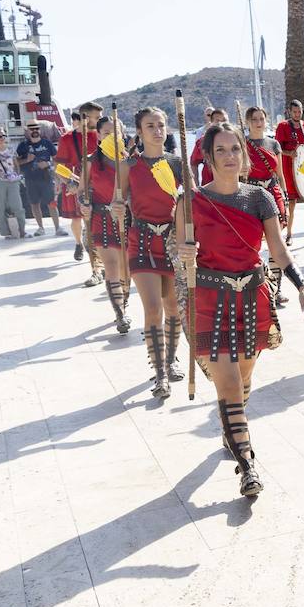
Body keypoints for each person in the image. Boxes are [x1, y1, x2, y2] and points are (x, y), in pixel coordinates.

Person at [174, 122, 304, 496]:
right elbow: (180, 256)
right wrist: (185, 255)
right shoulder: (189, 202)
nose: (229, 156)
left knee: (245, 377)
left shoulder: (259, 198)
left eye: (234, 149)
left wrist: (301, 286)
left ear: (244, 153)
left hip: (253, 299)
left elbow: (279, 251)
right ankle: (248, 463)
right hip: (209, 299)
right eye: (220, 150)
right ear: (207, 157)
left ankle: (232, 428)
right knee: (230, 383)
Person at [117, 107, 185, 397]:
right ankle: (159, 375)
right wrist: (117, 208)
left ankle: (171, 360)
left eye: (161, 125)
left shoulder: (177, 164)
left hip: (171, 242)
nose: (157, 131)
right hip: (141, 241)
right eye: (150, 126)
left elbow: (192, 204)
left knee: (173, 308)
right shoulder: (128, 166)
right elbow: (117, 205)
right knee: (153, 309)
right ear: (140, 131)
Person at [79, 119, 130, 334]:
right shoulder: (90, 161)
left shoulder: (130, 161)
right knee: (111, 266)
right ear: (98, 135)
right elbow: (82, 191)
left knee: (126, 270)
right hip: (102, 218)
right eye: (106, 132)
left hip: (127, 220)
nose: (111, 135)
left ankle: (124, 303)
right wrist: (84, 204)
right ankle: (119, 313)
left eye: (115, 131)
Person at [243, 106, 290, 304]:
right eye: (254, 119)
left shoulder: (274, 144)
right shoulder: (242, 144)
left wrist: (285, 197)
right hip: (251, 193)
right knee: (252, 242)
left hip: (273, 192)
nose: (258, 122)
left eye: (261, 118)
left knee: (276, 243)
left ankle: (276, 289)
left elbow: (279, 174)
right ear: (248, 122)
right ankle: (257, 286)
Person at [58, 102, 103, 275]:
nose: (100, 121)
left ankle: (99, 264)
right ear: (85, 118)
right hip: (75, 184)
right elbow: (59, 165)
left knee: (95, 225)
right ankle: (79, 244)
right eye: (97, 118)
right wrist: (71, 183)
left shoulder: (103, 135)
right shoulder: (67, 139)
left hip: (99, 186)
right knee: (78, 220)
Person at [273, 100, 304, 246]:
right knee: (291, 203)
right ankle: (289, 235)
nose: (297, 114)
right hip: (288, 168)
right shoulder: (282, 127)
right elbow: (278, 149)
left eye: (299, 112)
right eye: (294, 112)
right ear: (289, 111)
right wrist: (290, 153)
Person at [16, 120, 63, 235]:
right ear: (27, 131)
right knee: (34, 204)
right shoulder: (23, 146)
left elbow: (56, 159)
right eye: (32, 129)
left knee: (52, 203)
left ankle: (58, 228)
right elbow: (16, 162)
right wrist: (27, 160)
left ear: (40, 130)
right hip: (30, 179)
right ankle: (40, 228)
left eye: (37, 128)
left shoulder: (47, 143)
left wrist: (50, 166)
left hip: (46, 178)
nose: (35, 131)